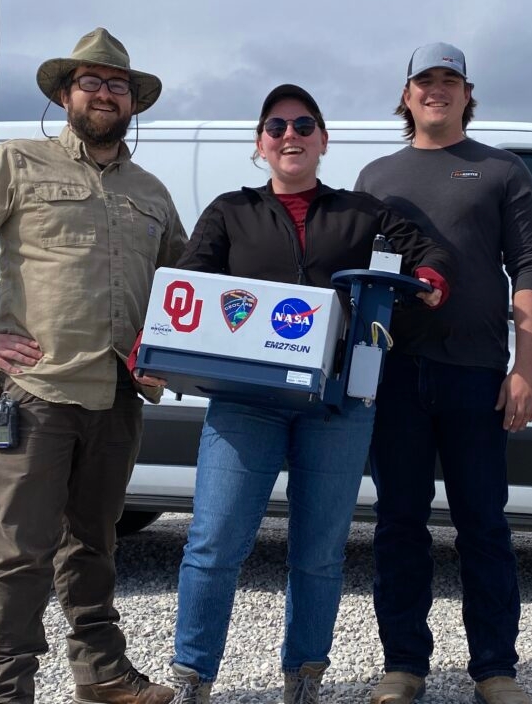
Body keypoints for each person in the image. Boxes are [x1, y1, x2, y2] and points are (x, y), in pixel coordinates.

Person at [156, 84, 451, 704]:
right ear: (260, 144)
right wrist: (153, 346)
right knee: (215, 543)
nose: (290, 135)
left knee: (318, 552)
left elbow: (426, 254)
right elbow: (187, 285)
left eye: (304, 125)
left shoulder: (363, 213)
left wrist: (427, 278)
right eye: (277, 126)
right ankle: (192, 676)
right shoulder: (229, 211)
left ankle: (304, 678)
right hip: (244, 402)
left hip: (336, 405)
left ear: (323, 139)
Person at [0, 28, 187, 704]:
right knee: (20, 550)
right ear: (66, 94)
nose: (104, 92)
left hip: (119, 395)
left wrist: (166, 356)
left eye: (117, 84)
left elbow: (183, 282)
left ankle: (101, 673)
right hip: (40, 391)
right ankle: (9, 690)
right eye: (90, 82)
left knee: (94, 543)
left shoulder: (152, 192)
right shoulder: (17, 163)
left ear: (133, 102)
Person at [353, 43, 532, 704]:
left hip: (477, 373)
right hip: (395, 375)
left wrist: (526, 369)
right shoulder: (376, 176)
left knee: (484, 525)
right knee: (399, 523)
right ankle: (403, 664)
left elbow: (528, 268)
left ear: (468, 94)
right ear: (406, 96)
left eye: (449, 80)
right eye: (424, 81)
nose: (436, 90)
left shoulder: (501, 170)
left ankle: (495, 670)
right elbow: (353, 277)